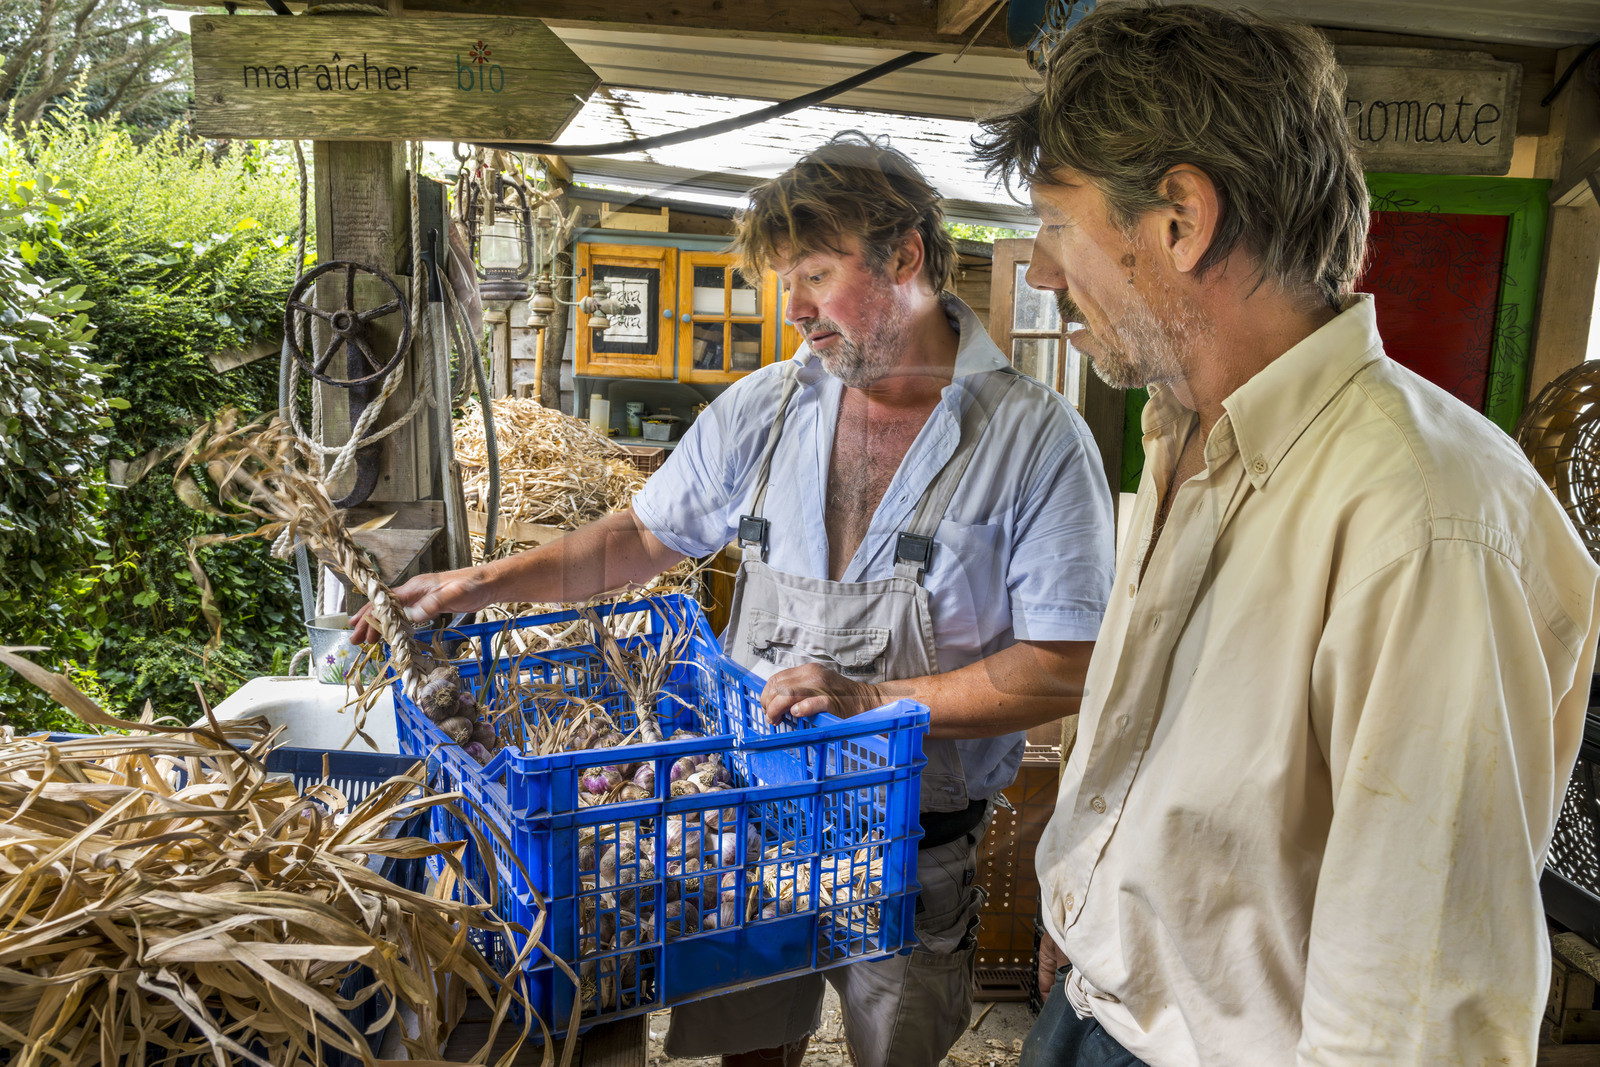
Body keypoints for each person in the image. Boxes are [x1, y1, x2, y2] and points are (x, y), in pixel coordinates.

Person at [353, 131, 1115, 1066]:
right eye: (781, 278)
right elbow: (643, 536)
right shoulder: (765, 409)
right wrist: (482, 581)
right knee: (753, 1049)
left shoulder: (1034, 441)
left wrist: (873, 702)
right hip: (749, 817)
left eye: (816, 274)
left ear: (906, 256)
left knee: (895, 1050)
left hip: (916, 848)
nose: (790, 307)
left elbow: (1063, 666)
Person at [971, 5, 1600, 1065]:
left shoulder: (1427, 518)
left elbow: (1414, 1017)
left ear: (1178, 218)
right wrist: (1087, 920)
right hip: (1093, 1012)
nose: (1039, 269)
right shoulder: (1182, 432)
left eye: (1056, 222)